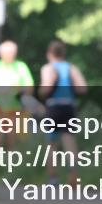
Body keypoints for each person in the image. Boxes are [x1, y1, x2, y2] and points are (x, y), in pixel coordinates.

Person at [38, 39, 88, 185]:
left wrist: (43, 91)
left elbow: (45, 89)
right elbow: (83, 88)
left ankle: (53, 178)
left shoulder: (48, 68)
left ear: (49, 54)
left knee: (51, 144)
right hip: (69, 106)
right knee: (69, 141)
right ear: (63, 53)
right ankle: (73, 173)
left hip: (54, 107)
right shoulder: (71, 68)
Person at [0, 40, 34, 150]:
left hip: (15, 109)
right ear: (1, 53)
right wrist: (2, 90)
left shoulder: (21, 66)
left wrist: (19, 89)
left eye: (13, 52)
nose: (11, 55)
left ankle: (10, 165)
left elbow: (30, 88)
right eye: (9, 52)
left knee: (12, 141)